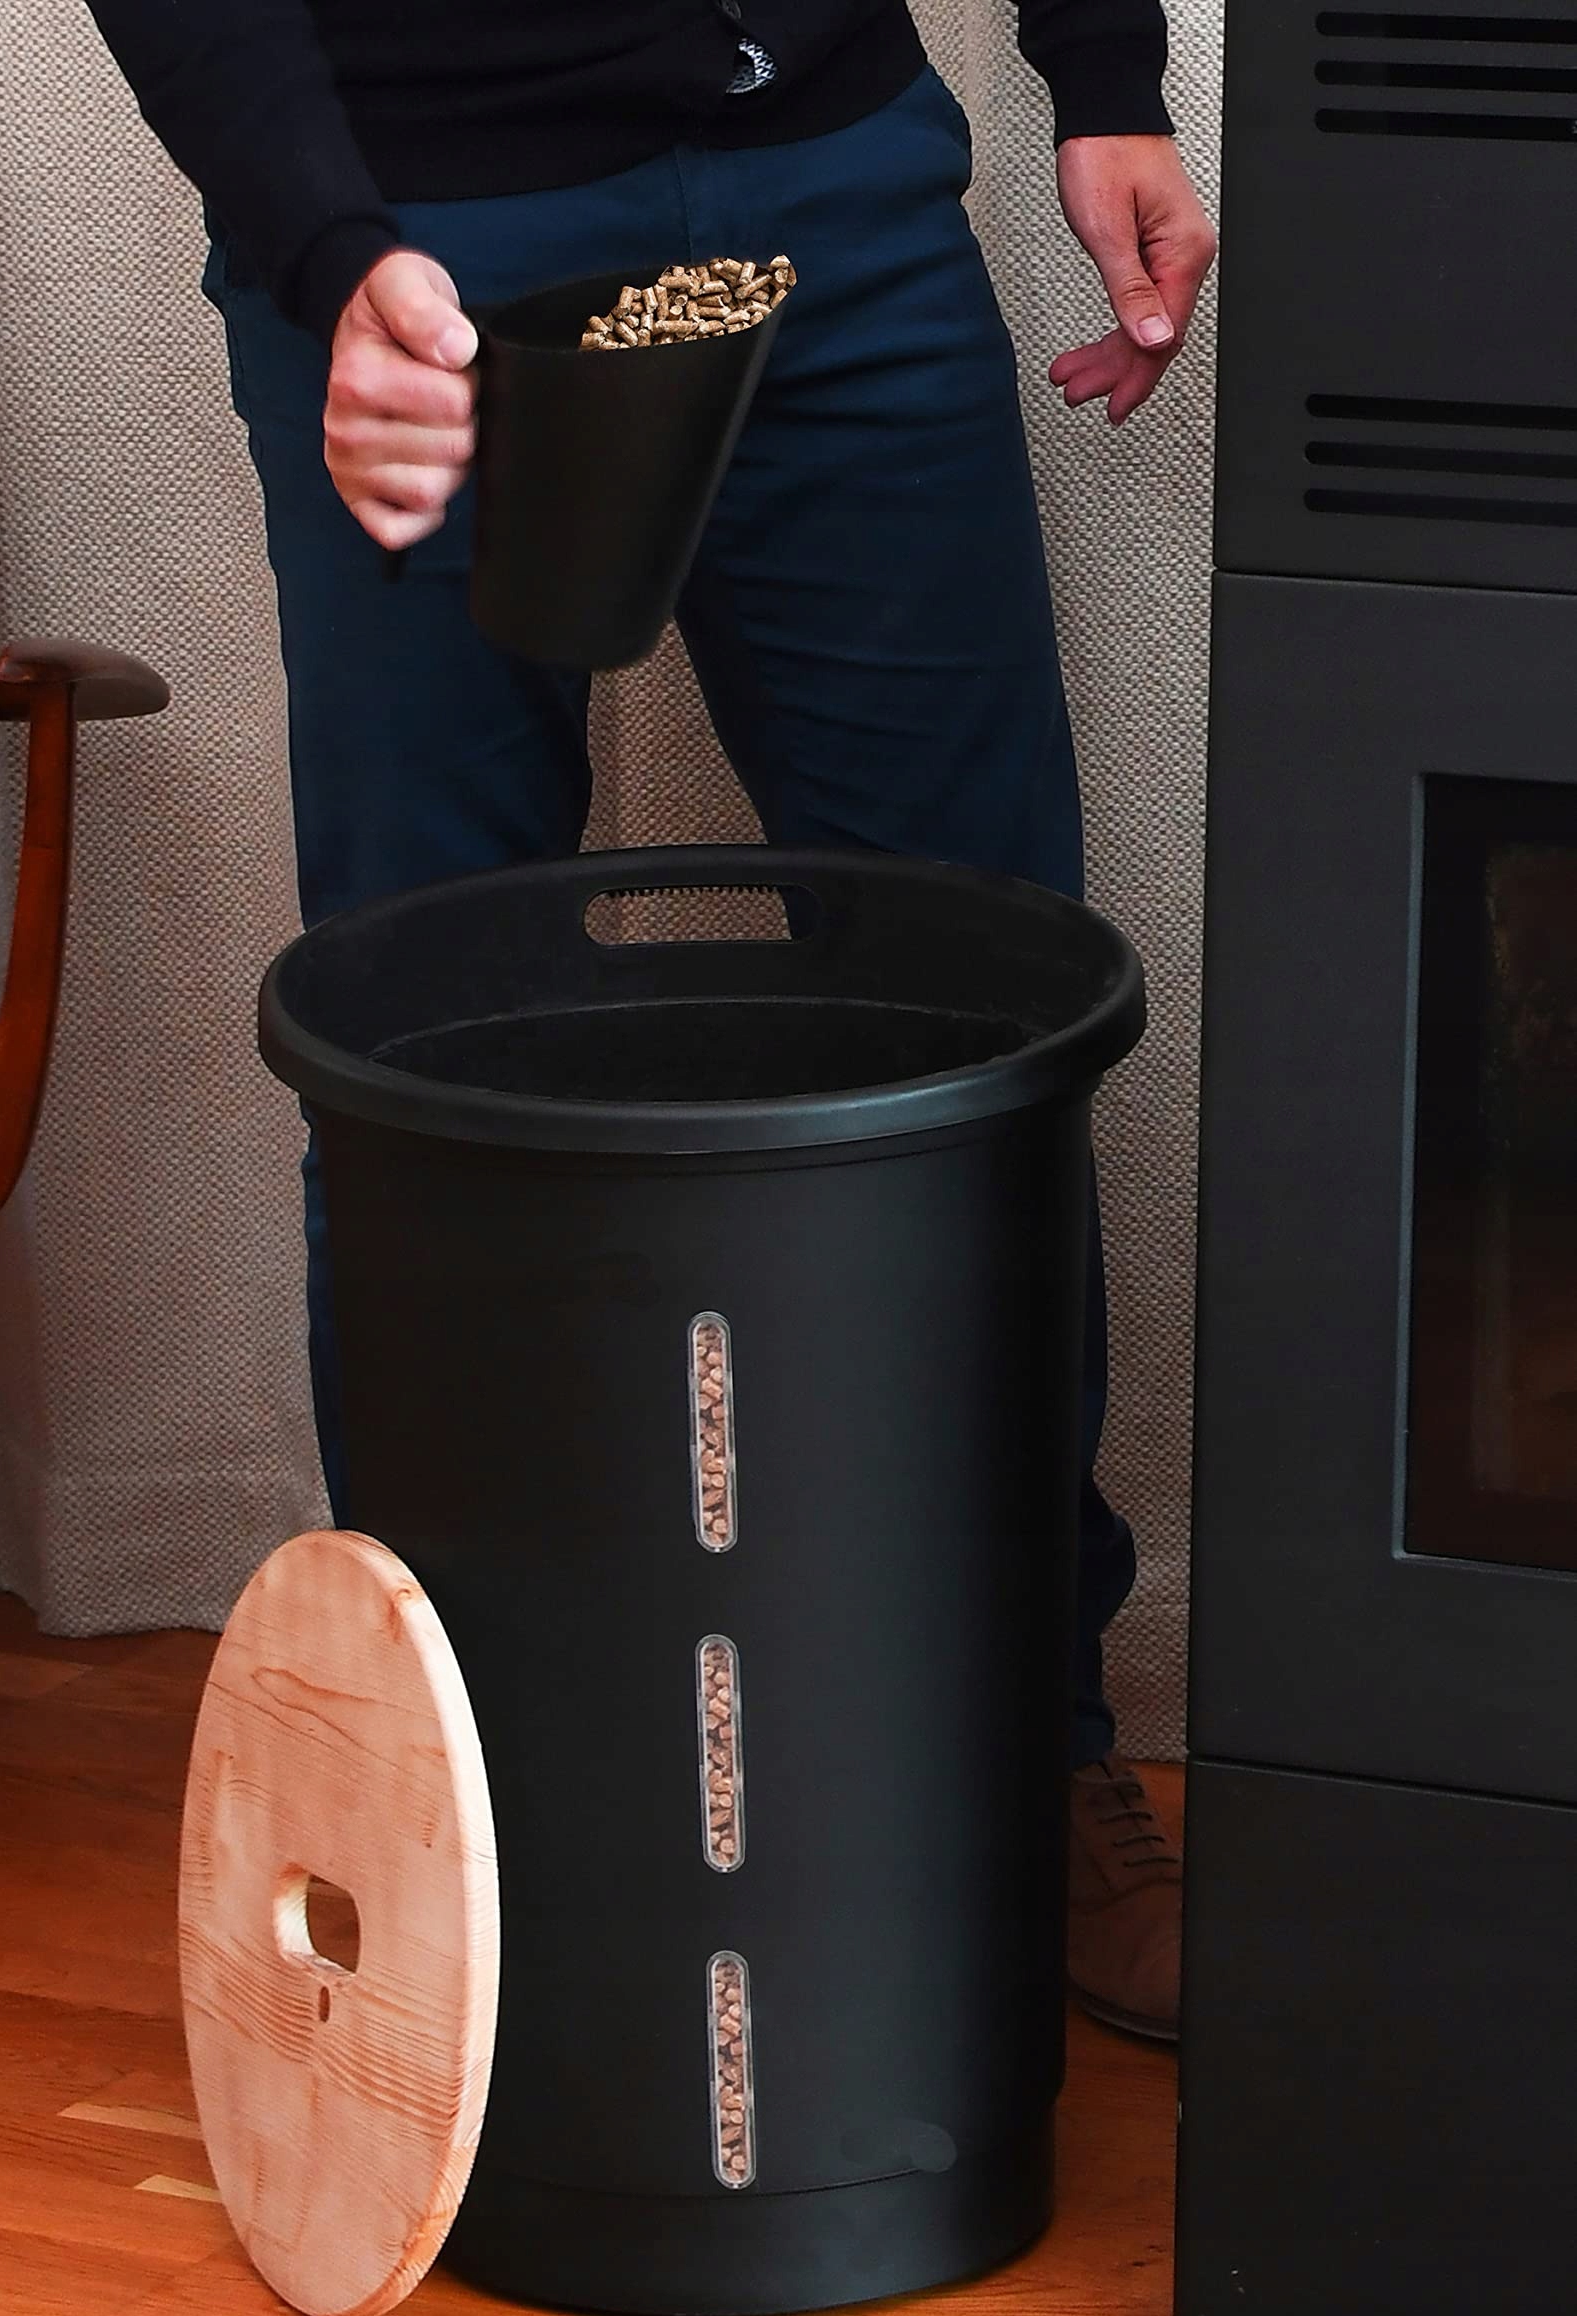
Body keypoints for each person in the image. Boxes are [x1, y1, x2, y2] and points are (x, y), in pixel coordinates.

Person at [85, 0, 1214, 2042]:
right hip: (413, 228)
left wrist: (1104, 71)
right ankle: (477, 1820)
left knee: (978, 1024)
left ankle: (1021, 1757)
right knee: (429, 1052)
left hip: (827, 194)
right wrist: (327, 248)